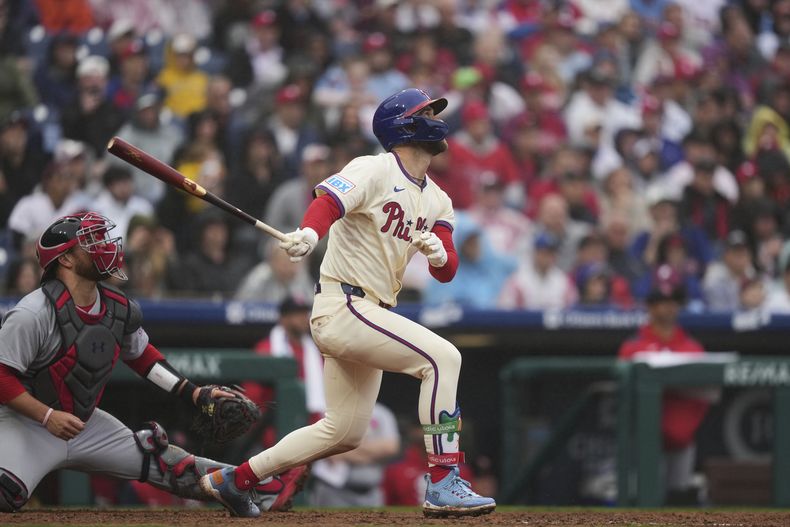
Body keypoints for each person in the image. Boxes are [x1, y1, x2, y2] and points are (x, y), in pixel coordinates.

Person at [201, 88, 496, 518]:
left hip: (371, 312)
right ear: (404, 124)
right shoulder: (374, 168)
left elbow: (447, 270)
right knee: (442, 358)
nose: (435, 117)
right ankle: (443, 479)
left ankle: (236, 479)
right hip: (346, 305)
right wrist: (309, 234)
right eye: (426, 111)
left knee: (343, 432)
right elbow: (328, 203)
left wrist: (439, 254)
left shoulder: (438, 198)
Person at [0, 212, 303, 514]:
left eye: (101, 238)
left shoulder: (117, 307)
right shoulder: (33, 313)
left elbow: (143, 359)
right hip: (27, 424)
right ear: (65, 260)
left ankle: (264, 489)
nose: (106, 246)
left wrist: (194, 393)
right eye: (91, 242)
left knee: (163, 461)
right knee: (7, 494)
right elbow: (2, 377)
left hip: (83, 422)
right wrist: (47, 415)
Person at [618, 267, 713, 505]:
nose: (667, 306)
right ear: (650, 305)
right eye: (661, 300)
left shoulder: (693, 348)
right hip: (645, 441)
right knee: (646, 504)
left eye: (672, 300)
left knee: (678, 503)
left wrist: (684, 428)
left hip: (683, 442)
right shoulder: (633, 346)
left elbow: (707, 395)